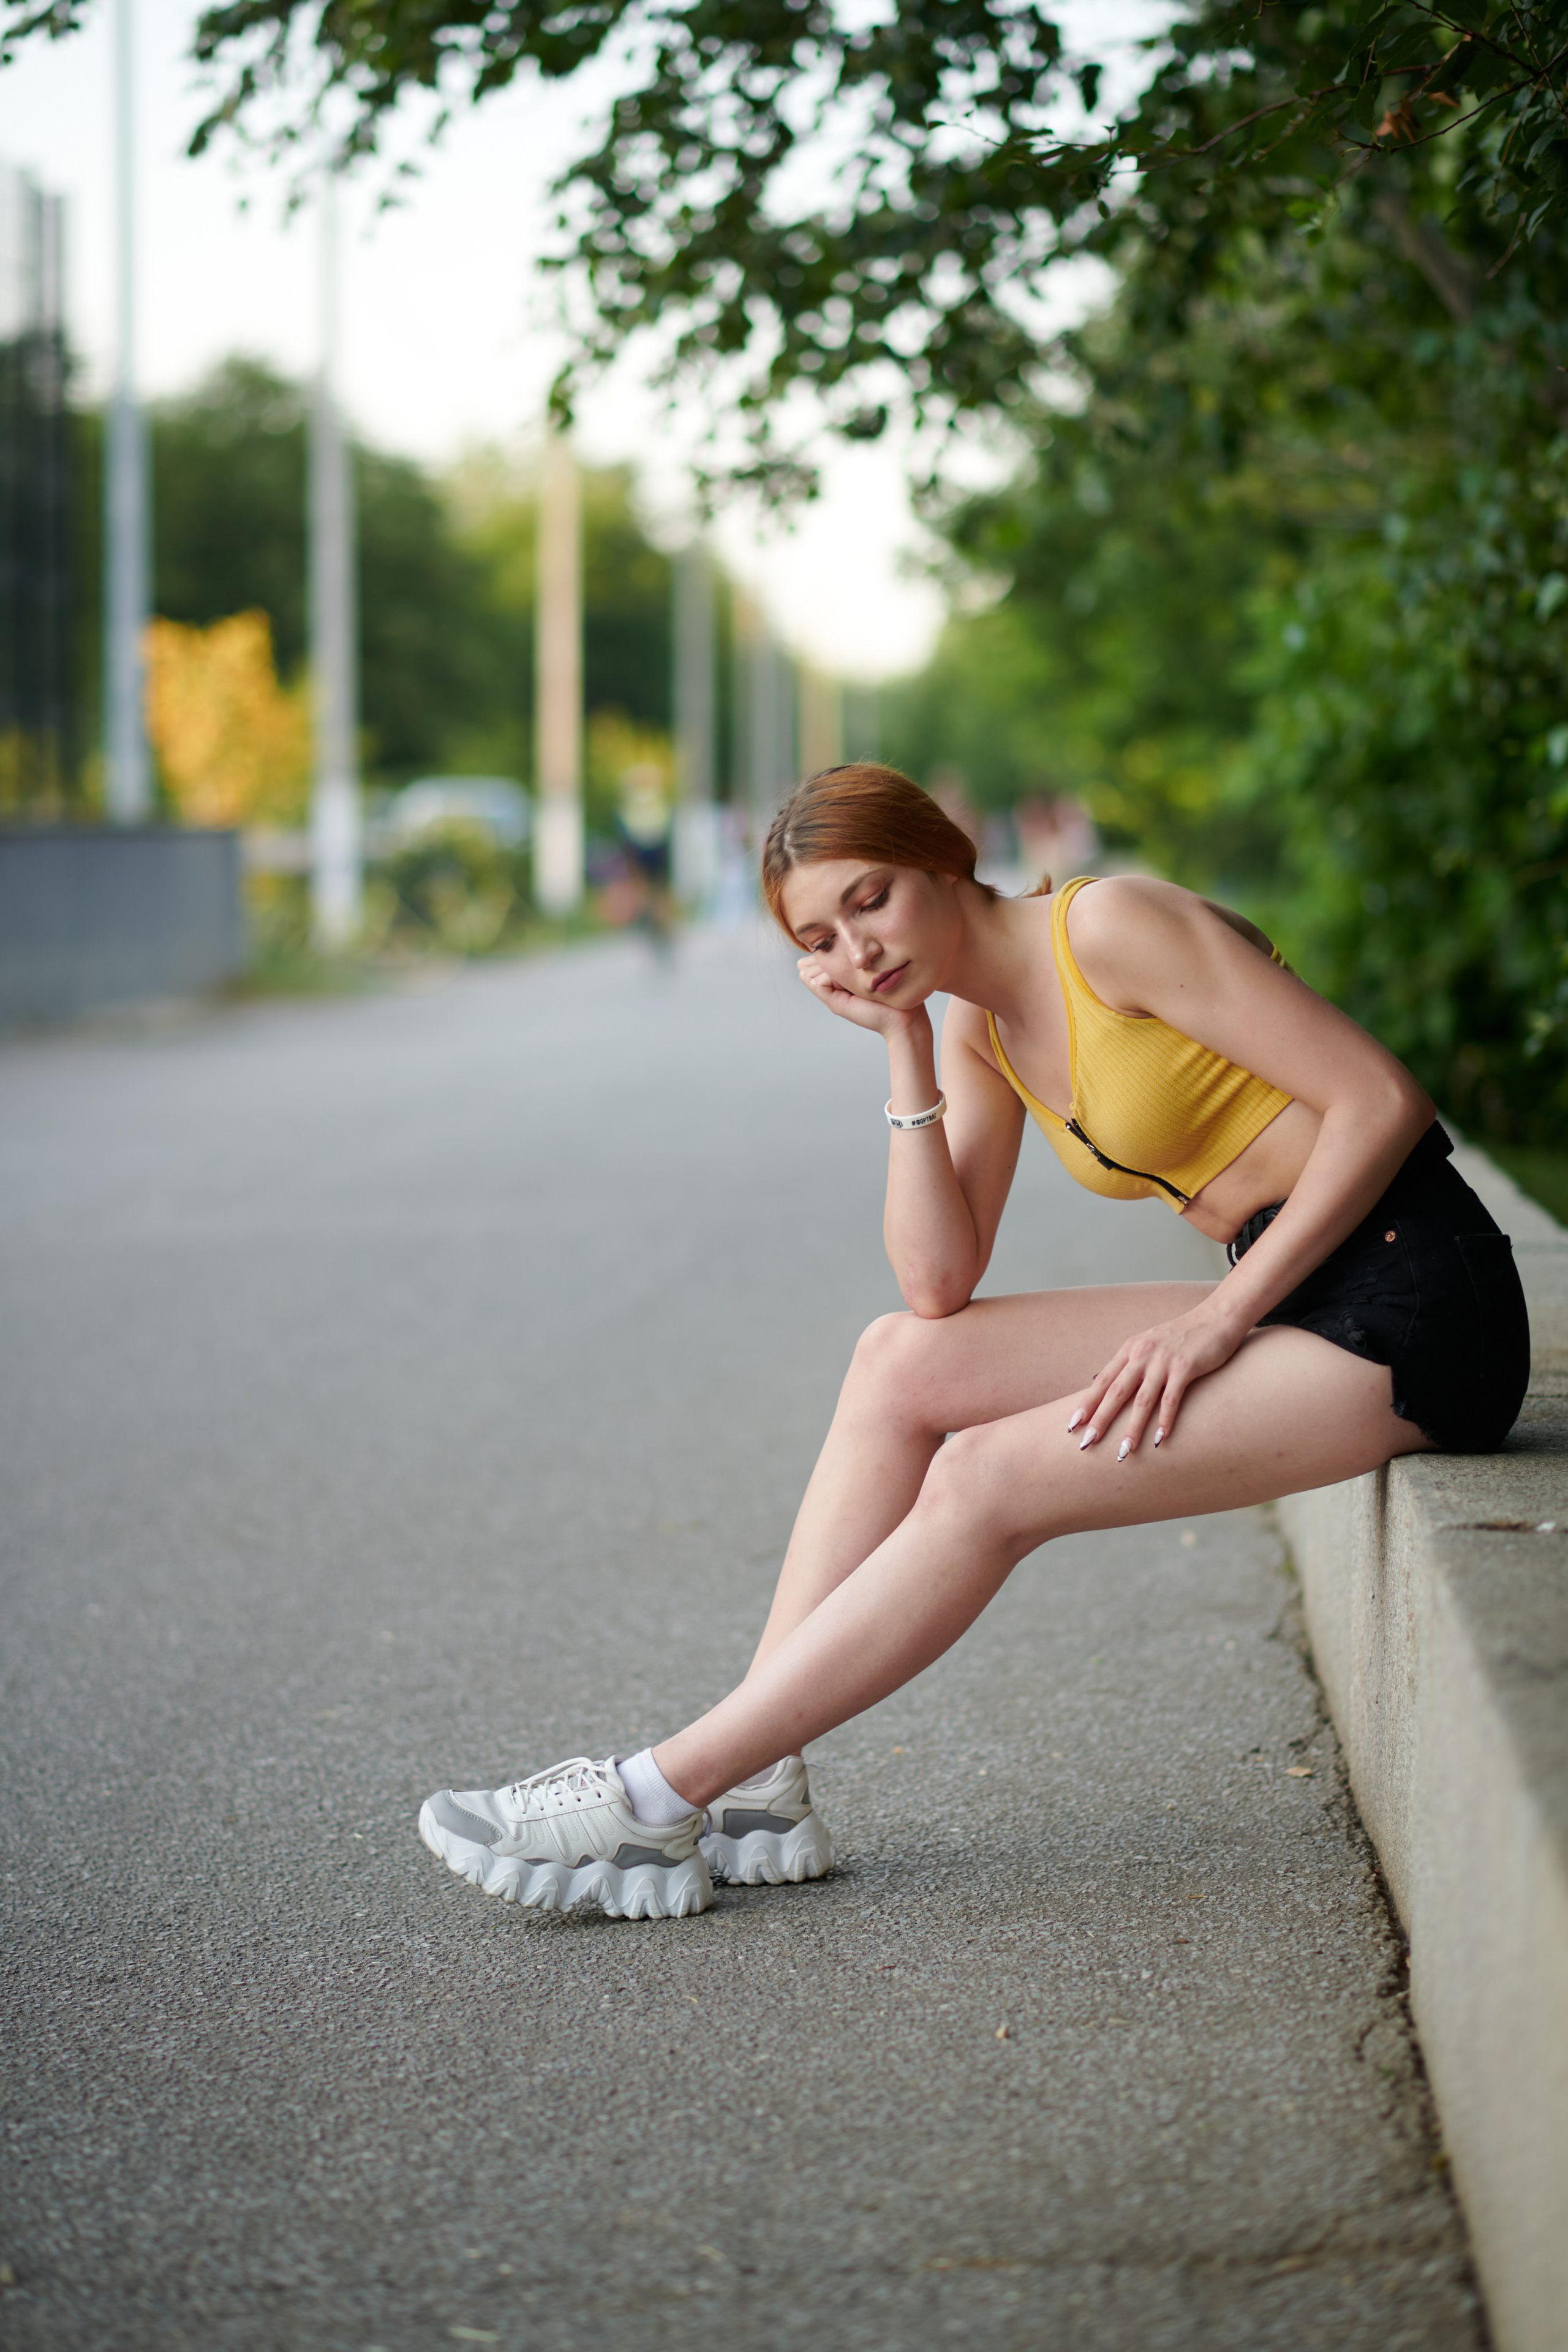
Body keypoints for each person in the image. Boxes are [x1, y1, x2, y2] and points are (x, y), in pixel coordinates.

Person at [419, 763, 1530, 1920]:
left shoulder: (1108, 927)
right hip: (1295, 1285)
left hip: (1418, 1303)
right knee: (897, 1360)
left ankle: (654, 1799)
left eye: (873, 899)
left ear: (946, 856)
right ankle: (760, 1781)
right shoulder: (977, 1026)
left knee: (987, 1476)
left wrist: (1214, 1322)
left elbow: (1379, 1099)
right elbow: (937, 1283)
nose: (858, 948)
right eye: (822, 937)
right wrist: (904, 1042)